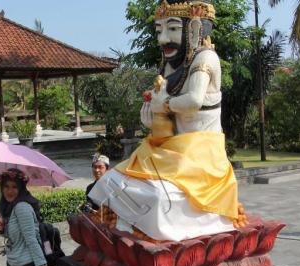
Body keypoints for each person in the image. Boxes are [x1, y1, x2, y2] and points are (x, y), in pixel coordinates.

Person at [88, 0, 242, 241]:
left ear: (194, 28)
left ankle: (154, 234)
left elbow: (193, 100)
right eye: (159, 31)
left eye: (172, 29)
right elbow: (159, 104)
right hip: (168, 149)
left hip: (200, 153)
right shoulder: (171, 64)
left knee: (158, 197)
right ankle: (126, 226)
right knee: (112, 180)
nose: (163, 39)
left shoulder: (205, 58)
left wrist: (165, 104)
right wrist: (150, 112)